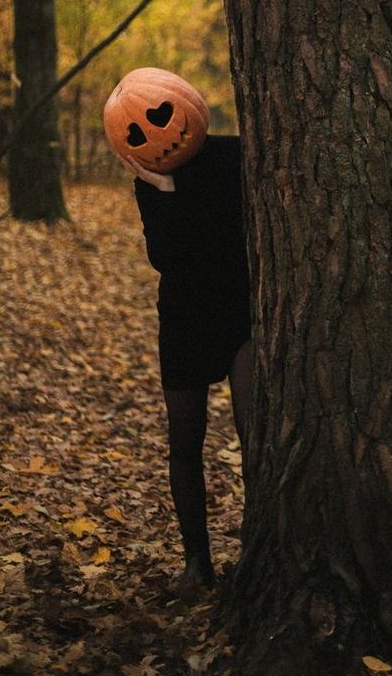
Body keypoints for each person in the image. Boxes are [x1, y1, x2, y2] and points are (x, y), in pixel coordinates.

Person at [104, 69, 251, 589]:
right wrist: (163, 189)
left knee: (255, 432)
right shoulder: (151, 184)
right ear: (127, 148)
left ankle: (259, 547)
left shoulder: (238, 154)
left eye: (164, 116)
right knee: (184, 442)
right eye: (139, 135)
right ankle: (197, 562)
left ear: (187, 106)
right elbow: (166, 258)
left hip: (242, 313)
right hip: (186, 317)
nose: (159, 137)